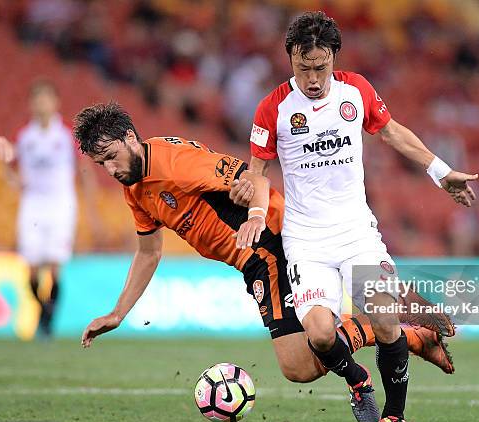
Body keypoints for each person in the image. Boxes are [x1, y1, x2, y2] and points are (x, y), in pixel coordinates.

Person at [71, 103, 454, 388]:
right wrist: (118, 313)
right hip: (251, 261)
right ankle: (403, 331)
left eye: (111, 157)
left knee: (301, 363)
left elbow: (255, 179)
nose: (110, 170)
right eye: (100, 164)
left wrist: (253, 213)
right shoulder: (135, 189)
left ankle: (389, 328)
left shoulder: (175, 163)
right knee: (300, 367)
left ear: (128, 138)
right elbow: (149, 252)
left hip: (271, 242)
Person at [233, 11, 478, 422]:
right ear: (290, 58)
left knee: (385, 319)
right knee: (321, 334)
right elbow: (257, 171)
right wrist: (255, 213)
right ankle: (357, 379)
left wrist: (442, 172)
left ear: (334, 58)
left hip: (356, 233)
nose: (312, 78)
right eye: (303, 67)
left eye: (321, 67)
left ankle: (395, 415)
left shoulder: (356, 90)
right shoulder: (273, 107)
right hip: (306, 240)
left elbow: (394, 133)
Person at [0, 80, 97, 338]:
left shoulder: (67, 134)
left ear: (55, 103)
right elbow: (9, 162)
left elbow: (85, 171)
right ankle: (44, 308)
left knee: (54, 264)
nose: (42, 104)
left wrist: (91, 207)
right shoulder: (25, 136)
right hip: (33, 204)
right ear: (31, 104)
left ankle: (48, 319)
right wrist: (11, 178)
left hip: (61, 203)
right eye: (37, 99)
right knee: (31, 267)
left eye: (46, 98)